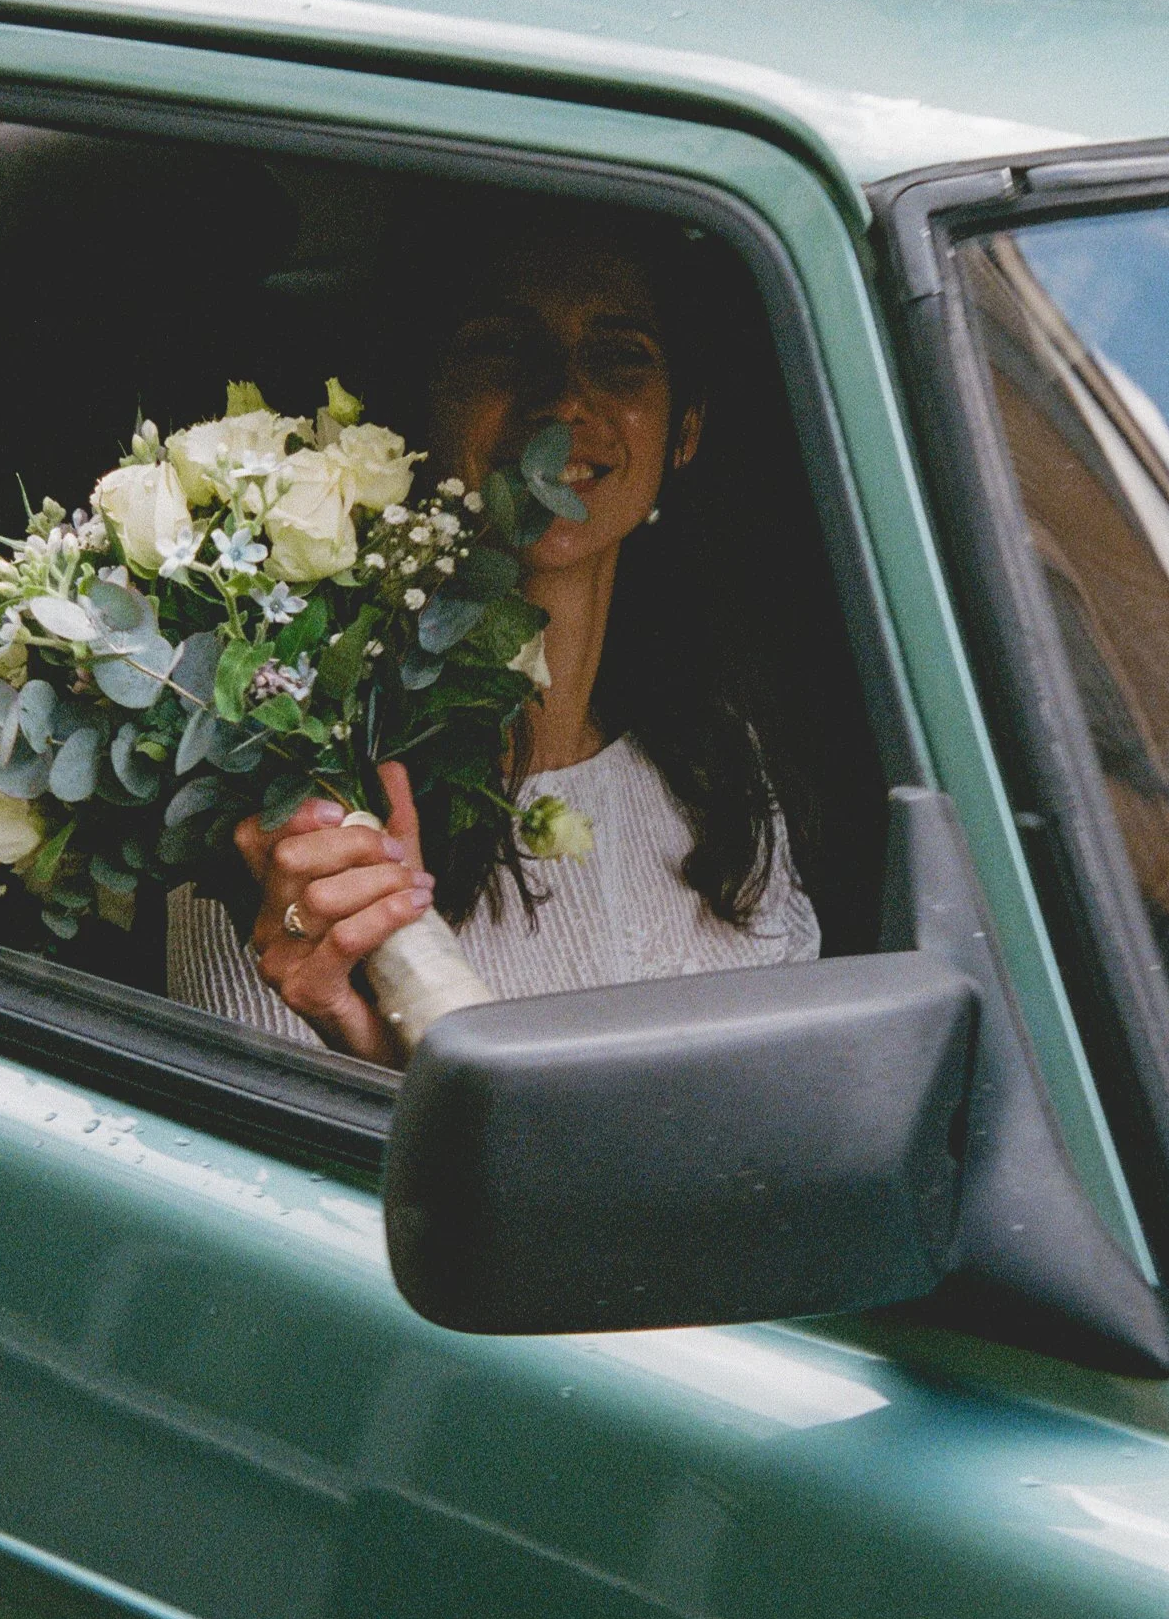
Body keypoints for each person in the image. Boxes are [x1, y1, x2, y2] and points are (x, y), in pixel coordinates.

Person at [166, 207, 822, 1061]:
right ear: (424, 401)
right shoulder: (294, 800)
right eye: (502, 348)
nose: (563, 398)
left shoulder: (716, 763)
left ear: (683, 431)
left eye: (619, 354)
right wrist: (365, 1039)